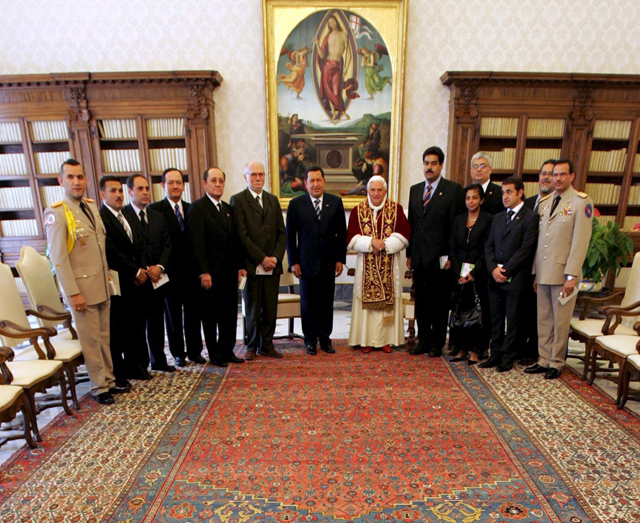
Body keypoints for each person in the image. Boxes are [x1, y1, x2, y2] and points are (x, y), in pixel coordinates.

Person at [44, 159, 117, 405]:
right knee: (91, 340)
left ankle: (109, 380)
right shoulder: (56, 212)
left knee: (104, 337)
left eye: (80, 177)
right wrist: (73, 293)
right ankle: (99, 387)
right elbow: (59, 259)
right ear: (61, 180)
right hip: (82, 291)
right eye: (71, 177)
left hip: (101, 286)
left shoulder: (90, 207)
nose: (76, 182)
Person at [526, 159, 593, 379]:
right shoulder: (544, 203)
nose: (557, 179)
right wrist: (535, 272)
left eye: (562, 174)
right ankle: (544, 358)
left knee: (560, 320)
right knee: (543, 318)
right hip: (545, 272)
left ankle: (557, 361)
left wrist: (572, 276)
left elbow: (580, 242)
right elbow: (540, 242)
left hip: (565, 274)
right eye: (555, 174)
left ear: (572, 176)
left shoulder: (581, 202)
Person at [407, 146, 465, 357]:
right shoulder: (415, 190)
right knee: (421, 302)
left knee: (439, 302)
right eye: (426, 163)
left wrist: (451, 256)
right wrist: (410, 254)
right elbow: (413, 224)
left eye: (433, 163)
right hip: (420, 257)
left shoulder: (453, 190)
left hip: (441, 259)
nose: (429, 167)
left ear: (441, 165)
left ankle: (437, 343)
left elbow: (455, 226)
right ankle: (423, 340)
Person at [186, 168, 246, 367]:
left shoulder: (228, 208)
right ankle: (215, 353)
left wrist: (240, 267)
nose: (218, 184)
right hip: (209, 275)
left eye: (221, 180)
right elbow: (196, 243)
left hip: (228, 275)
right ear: (205, 183)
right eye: (213, 180)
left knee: (229, 315)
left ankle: (227, 350)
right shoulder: (197, 208)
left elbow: (235, 241)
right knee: (211, 317)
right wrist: (203, 271)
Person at [286, 166, 347, 355]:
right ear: (305, 183)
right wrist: (293, 262)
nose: (315, 184)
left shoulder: (335, 203)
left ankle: (325, 339)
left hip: (329, 262)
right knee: (308, 303)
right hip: (305, 263)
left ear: (324, 181)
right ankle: (310, 340)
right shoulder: (296, 204)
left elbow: (341, 234)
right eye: (311, 181)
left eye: (318, 180)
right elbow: (290, 236)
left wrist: (340, 259)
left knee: (326, 302)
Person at [481, 176, 539, 372]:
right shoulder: (497, 218)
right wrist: (493, 270)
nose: (504, 196)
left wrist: (505, 270)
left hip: (515, 278)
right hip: (495, 277)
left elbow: (526, 249)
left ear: (520, 193)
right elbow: (488, 246)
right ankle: (495, 354)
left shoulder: (530, 217)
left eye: (509, 192)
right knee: (495, 318)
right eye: (503, 192)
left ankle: (508, 357)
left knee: (512, 320)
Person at [347, 176, 410, 352]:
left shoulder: (395, 209)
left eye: (379, 190)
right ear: (368, 191)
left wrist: (384, 245)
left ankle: (385, 340)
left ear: (385, 191)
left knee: (387, 304)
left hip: (389, 264)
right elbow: (351, 238)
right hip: (365, 265)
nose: (376, 193)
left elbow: (404, 235)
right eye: (372, 190)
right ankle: (366, 340)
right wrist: (370, 243)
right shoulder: (357, 210)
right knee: (365, 304)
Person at [231, 162, 287, 360]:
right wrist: (261, 258)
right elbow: (242, 236)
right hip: (251, 265)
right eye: (253, 174)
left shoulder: (272, 200)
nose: (257, 178)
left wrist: (274, 258)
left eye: (261, 174)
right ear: (245, 177)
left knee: (270, 307)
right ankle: (252, 346)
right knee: (253, 308)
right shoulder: (238, 200)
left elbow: (282, 233)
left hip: (272, 265)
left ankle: (268, 344)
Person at [149, 168, 205, 366]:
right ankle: (178, 353)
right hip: (169, 273)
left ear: (183, 185)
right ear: (163, 185)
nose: (175, 186)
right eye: (171, 183)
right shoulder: (154, 210)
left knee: (193, 314)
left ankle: (195, 351)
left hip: (191, 273)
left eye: (179, 183)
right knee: (173, 317)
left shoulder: (192, 209)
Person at [99, 176, 150, 386]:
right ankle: (118, 375)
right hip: (117, 282)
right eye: (112, 191)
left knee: (133, 328)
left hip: (133, 282)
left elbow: (137, 245)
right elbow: (111, 250)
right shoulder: (102, 217)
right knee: (117, 331)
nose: (118, 195)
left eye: (119, 191)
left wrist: (141, 270)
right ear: (103, 194)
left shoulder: (124, 215)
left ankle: (133, 367)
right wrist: (135, 271)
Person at [122, 174, 175, 373]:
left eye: (147, 189)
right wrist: (140, 270)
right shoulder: (124, 215)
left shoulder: (156, 215)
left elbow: (168, 245)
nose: (145, 192)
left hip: (157, 279)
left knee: (156, 323)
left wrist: (159, 267)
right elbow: (124, 250)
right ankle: (140, 364)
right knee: (137, 326)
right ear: (130, 192)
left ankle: (159, 360)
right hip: (135, 281)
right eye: (140, 189)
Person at [448, 184, 493, 365]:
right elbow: (453, 247)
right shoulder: (458, 220)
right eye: (468, 198)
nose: (471, 201)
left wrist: (474, 273)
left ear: (481, 199)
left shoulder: (488, 220)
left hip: (479, 275)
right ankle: (461, 348)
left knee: (477, 313)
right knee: (460, 311)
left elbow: (488, 249)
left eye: (474, 198)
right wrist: (459, 273)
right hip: (459, 275)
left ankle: (476, 350)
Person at [520, 159, 556, 365]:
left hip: (545, 268)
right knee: (523, 310)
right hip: (524, 265)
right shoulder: (529, 202)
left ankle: (538, 352)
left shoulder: (562, 204)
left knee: (541, 313)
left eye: (551, 174)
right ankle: (523, 348)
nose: (546, 177)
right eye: (543, 173)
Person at [314, 15, 351, 121]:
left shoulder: (344, 35)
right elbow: (321, 55)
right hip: (327, 66)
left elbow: (349, 55)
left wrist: (346, 68)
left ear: (337, 22)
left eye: (333, 22)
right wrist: (317, 44)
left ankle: (342, 112)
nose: (331, 24)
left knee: (336, 91)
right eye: (329, 23)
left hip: (337, 67)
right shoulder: (327, 37)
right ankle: (335, 114)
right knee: (328, 91)